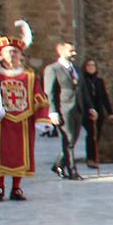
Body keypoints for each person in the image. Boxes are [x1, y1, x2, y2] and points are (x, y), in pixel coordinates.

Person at [0, 22, 48, 202]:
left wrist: (42, 119)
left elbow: (39, 98)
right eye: (9, 51)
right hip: (0, 122)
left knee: (19, 155)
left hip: (22, 121)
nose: (12, 54)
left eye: (15, 52)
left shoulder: (29, 76)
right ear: (1, 54)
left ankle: (16, 188)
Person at [44, 40, 87, 180]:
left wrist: (91, 107)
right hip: (64, 109)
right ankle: (73, 171)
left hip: (78, 108)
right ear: (61, 51)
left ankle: (58, 164)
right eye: (71, 51)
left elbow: (83, 89)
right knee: (68, 140)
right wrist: (53, 111)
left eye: (74, 50)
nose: (74, 53)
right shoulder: (53, 69)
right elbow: (50, 92)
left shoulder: (77, 69)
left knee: (72, 139)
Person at [78, 58, 112, 168]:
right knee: (91, 134)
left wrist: (110, 112)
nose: (91, 67)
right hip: (87, 111)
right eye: (88, 65)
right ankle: (90, 158)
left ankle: (94, 157)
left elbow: (104, 98)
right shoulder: (82, 81)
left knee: (96, 135)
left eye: (93, 65)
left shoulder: (99, 81)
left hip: (99, 111)